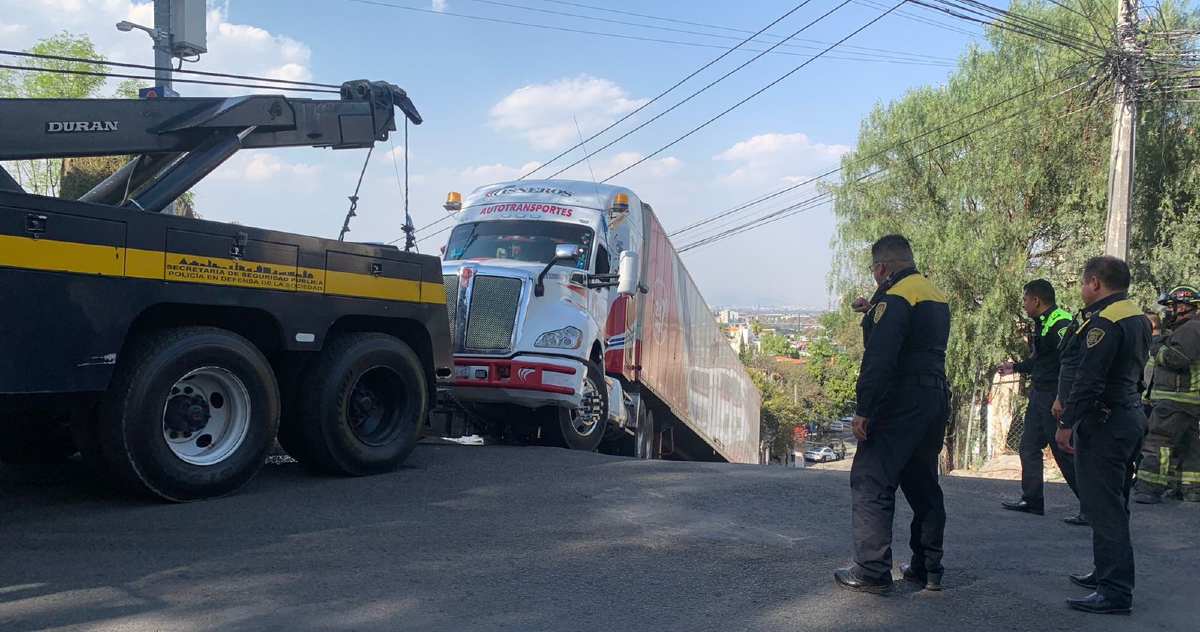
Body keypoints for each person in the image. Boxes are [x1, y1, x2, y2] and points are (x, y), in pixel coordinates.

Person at [835, 234, 951, 594]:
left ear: (882, 268)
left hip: (900, 397)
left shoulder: (894, 298)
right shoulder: (932, 294)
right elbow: (914, 340)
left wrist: (864, 409)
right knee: (922, 482)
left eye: (874, 271)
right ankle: (927, 568)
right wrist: (872, 310)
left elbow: (880, 358)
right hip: (933, 396)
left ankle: (871, 570)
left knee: (871, 479)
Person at [1055, 256, 1149, 615]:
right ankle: (1105, 573)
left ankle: (1114, 591)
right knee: (1114, 503)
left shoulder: (1106, 322)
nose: (1081, 290)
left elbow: (1090, 378)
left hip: (1106, 424)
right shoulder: (1136, 316)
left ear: (1095, 282)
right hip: (1128, 416)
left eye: (1083, 283)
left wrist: (1067, 424)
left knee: (1103, 507)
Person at [998, 280, 1084, 524]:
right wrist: (1014, 367)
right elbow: (1041, 361)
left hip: (1053, 396)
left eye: (1026, 300)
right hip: (1039, 394)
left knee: (1063, 451)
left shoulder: (1061, 323)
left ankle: (1091, 506)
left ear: (1036, 300)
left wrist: (1062, 396)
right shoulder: (1042, 323)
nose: (1024, 305)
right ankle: (1032, 500)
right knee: (1028, 446)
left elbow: (1070, 363)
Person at [1132, 285, 1200, 504]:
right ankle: (1189, 489)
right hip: (1184, 400)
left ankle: (1149, 487)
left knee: (1157, 442)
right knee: (1187, 445)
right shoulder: (1187, 329)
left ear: (1184, 307)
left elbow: (1176, 359)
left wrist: (1157, 346)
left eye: (1171, 306)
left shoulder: (1191, 329)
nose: (1167, 311)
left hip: (1175, 399)